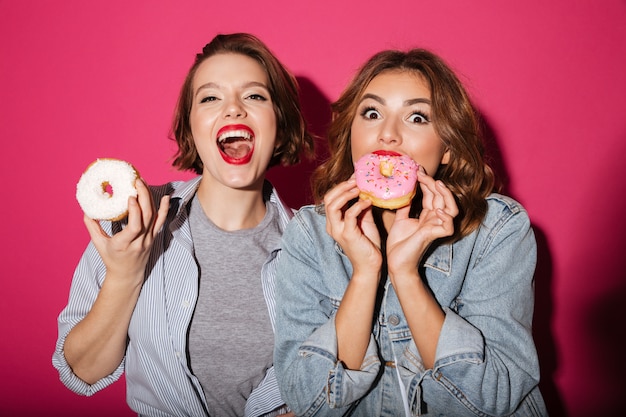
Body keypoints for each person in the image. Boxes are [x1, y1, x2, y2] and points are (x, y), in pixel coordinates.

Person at [273, 48, 548, 416]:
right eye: (372, 113)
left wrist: (406, 275)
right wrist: (366, 273)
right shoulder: (309, 234)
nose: (388, 135)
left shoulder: (497, 230)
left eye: (417, 117)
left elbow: (492, 398)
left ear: (447, 148)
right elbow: (309, 403)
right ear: (351, 133)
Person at [53, 33, 314, 417]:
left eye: (255, 96)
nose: (233, 110)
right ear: (190, 127)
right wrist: (125, 275)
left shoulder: (317, 245)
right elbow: (83, 371)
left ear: (280, 122)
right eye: (210, 98)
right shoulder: (137, 217)